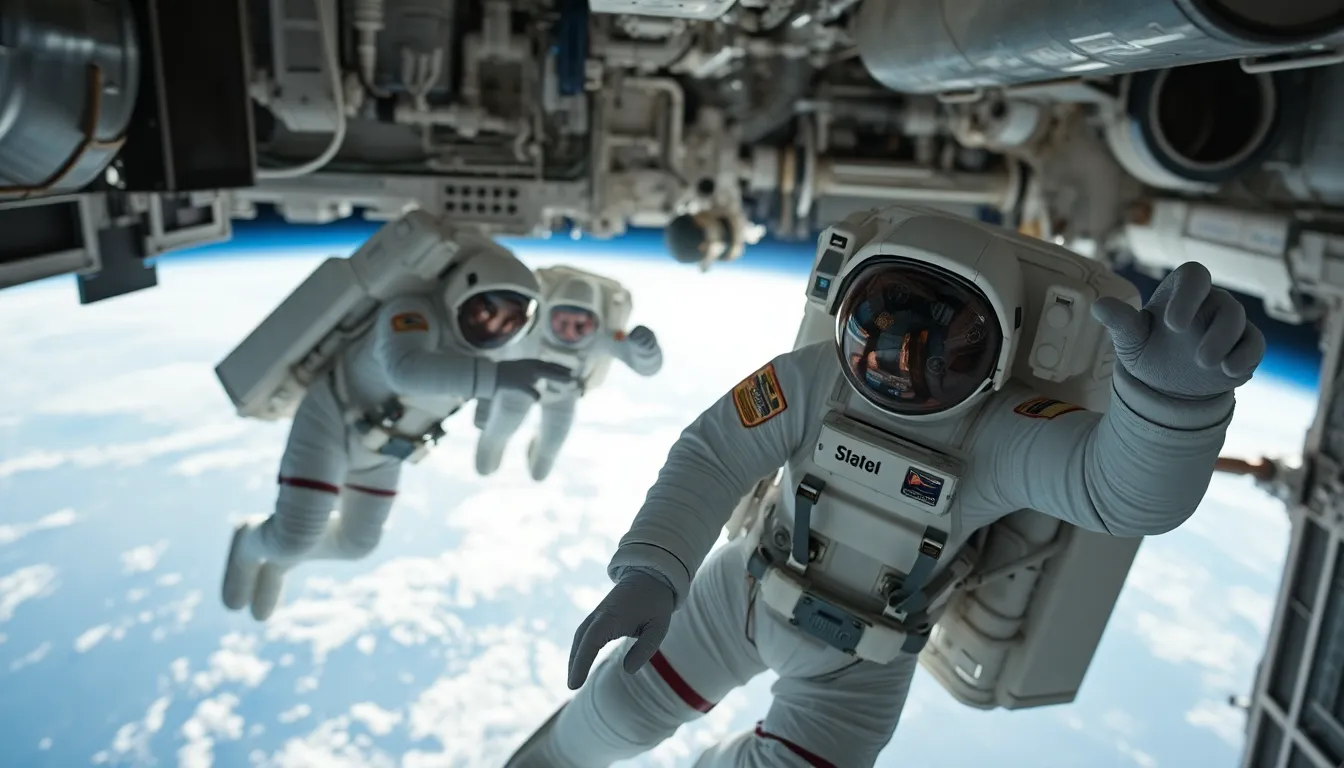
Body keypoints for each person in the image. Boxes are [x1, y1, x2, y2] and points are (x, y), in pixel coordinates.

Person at [506, 207, 1266, 767]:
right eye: (881, 323)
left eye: (937, 341)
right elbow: (713, 455)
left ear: (995, 352)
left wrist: (1169, 409)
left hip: (862, 664)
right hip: (745, 589)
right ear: (846, 317)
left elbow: (1119, 496)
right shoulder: (811, 380)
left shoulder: (1005, 430)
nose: (899, 357)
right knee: (612, 715)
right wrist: (653, 568)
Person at [221, 242, 571, 622]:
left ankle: (281, 561)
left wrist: (496, 411)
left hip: (386, 451)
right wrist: (496, 378)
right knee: (294, 536)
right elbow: (406, 370)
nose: (494, 327)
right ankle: (251, 545)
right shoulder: (413, 312)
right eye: (486, 310)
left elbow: (485, 399)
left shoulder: (490, 358)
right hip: (332, 421)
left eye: (510, 323)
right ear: (461, 293)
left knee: (356, 544)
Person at [474, 266, 663, 481]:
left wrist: (646, 350)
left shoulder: (600, 339)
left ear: (595, 323)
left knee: (548, 453)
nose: (570, 332)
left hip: (562, 397)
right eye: (563, 322)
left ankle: (537, 459)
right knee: (496, 436)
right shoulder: (528, 330)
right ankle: (489, 454)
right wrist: (485, 402)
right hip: (517, 389)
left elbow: (646, 368)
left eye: (580, 325)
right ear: (548, 314)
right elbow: (491, 355)